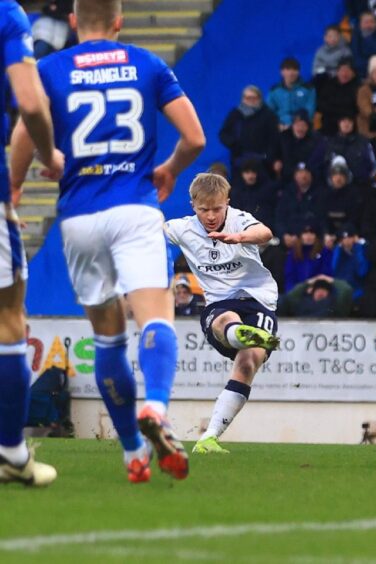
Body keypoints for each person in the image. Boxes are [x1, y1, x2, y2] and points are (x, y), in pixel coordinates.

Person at [11, 0, 206, 482]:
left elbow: (23, 129)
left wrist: (13, 192)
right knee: (155, 317)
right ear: (120, 21)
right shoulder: (147, 63)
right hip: (134, 209)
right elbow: (195, 138)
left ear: (74, 22)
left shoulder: (51, 67)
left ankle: (133, 453)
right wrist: (170, 169)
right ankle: (157, 407)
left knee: (108, 334)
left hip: (78, 218)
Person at [164, 174, 279, 454]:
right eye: (204, 210)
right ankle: (238, 333)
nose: (212, 216)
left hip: (258, 299)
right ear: (193, 205)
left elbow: (265, 233)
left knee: (249, 362)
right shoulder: (183, 228)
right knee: (225, 320)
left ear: (227, 202)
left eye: (217, 209)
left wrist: (239, 237)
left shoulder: (240, 219)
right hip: (219, 302)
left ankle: (208, 438)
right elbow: (148, 231)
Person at [0, 0, 64, 486]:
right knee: (8, 322)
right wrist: (49, 153)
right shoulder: (7, 14)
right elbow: (29, 99)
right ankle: (12, 453)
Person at [219, 85, 279, 175]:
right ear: (243, 99)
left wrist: (269, 158)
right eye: (248, 97)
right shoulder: (236, 114)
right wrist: (234, 144)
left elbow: (274, 138)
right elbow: (223, 133)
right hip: (239, 160)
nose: (251, 100)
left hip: (262, 162)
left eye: (254, 97)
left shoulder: (268, 115)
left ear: (260, 98)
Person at [267, 57, 316, 129]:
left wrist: (296, 124)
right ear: (282, 72)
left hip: (302, 127)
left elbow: (310, 111)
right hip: (280, 126)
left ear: (299, 72)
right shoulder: (274, 91)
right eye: (288, 69)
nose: (291, 73)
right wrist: (278, 124)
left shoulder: (308, 89)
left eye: (295, 69)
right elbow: (269, 111)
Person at [350, 10, 376, 77]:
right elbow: (355, 54)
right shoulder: (356, 34)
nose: (369, 25)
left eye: (372, 22)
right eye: (366, 22)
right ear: (360, 24)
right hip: (361, 69)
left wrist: (368, 37)